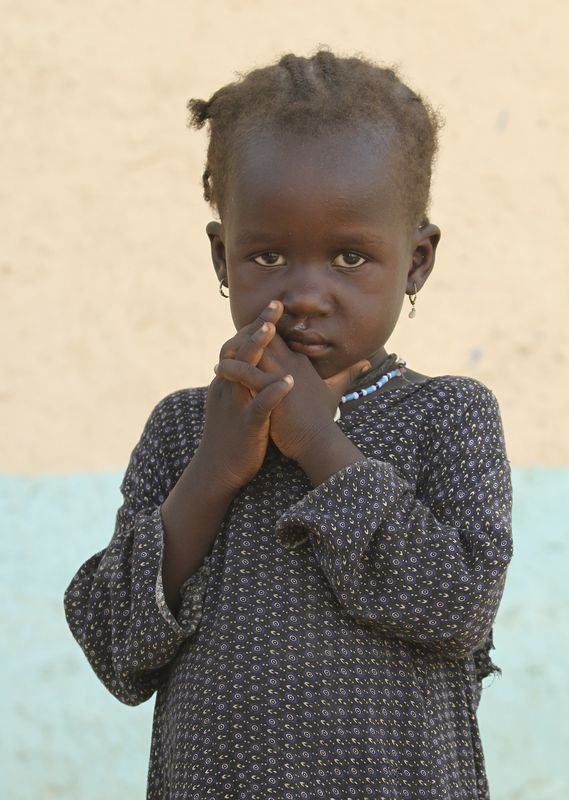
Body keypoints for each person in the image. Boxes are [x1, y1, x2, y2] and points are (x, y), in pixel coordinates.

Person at [63, 47, 513, 799]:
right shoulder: (184, 429)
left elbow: (458, 605)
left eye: (348, 256)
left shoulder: (449, 414)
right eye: (267, 254)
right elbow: (116, 646)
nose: (304, 294)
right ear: (221, 257)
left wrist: (317, 443)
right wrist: (211, 471)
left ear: (416, 262)